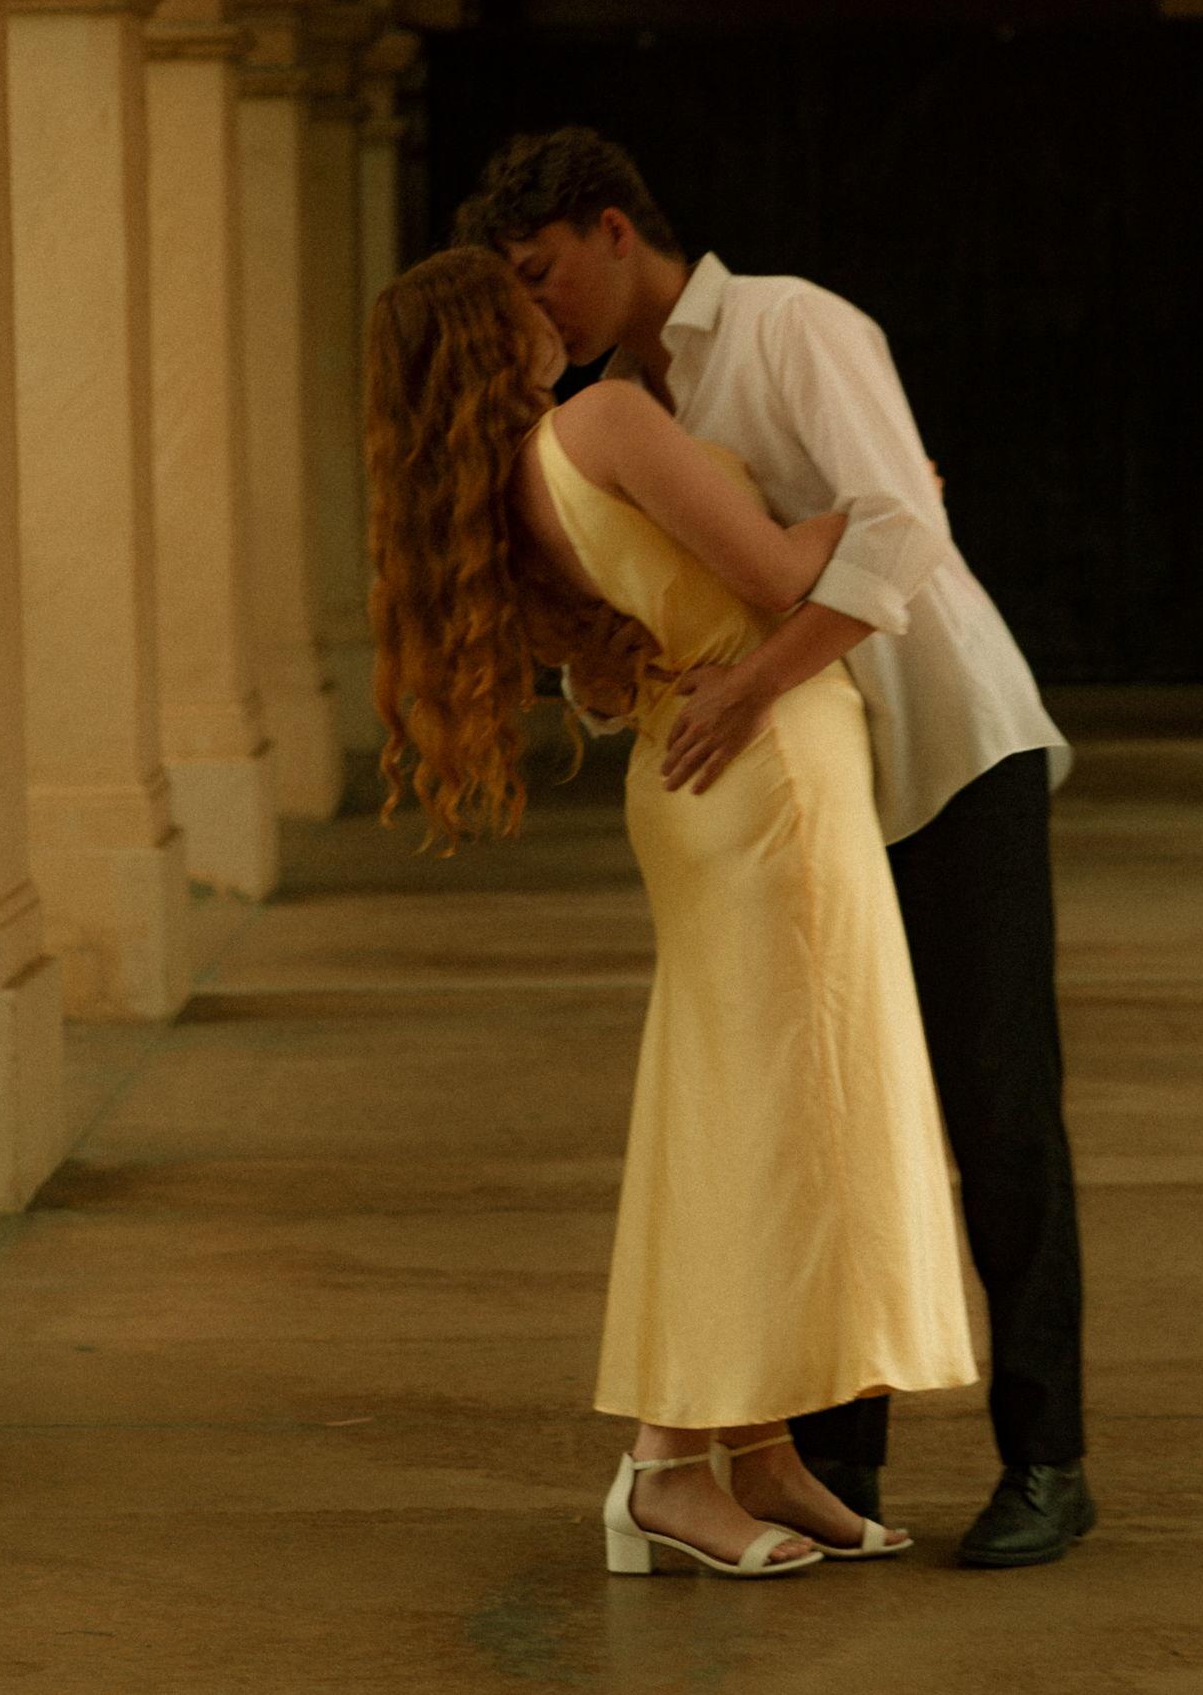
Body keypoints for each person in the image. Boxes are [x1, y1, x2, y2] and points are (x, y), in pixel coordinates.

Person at [454, 128, 1093, 1568]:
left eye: (546, 274)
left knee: (997, 1107)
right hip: (804, 793)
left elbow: (902, 533)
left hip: (947, 746)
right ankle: (830, 1454)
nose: (540, 310)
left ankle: (1045, 1455)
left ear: (616, 232)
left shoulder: (793, 322)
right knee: (827, 1107)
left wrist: (758, 674)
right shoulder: (617, 406)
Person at [364, 245, 978, 1579]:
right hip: (767, 779)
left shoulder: (510, 483)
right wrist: (889, 503)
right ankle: (663, 1468)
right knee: (760, 1121)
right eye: (519, 292)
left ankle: (753, 1450)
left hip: (699, 768)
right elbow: (770, 570)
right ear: (495, 330)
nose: (551, 305)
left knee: (733, 1108)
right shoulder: (604, 421)